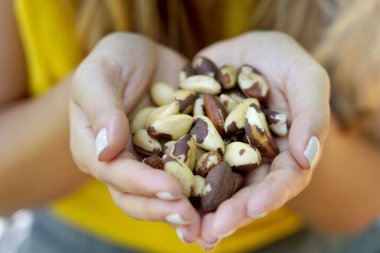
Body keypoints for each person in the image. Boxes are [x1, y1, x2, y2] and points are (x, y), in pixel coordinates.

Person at [0, 0, 379, 252]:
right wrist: (98, 100)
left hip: (293, 238)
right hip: (77, 237)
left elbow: (360, 203)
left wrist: (305, 124)